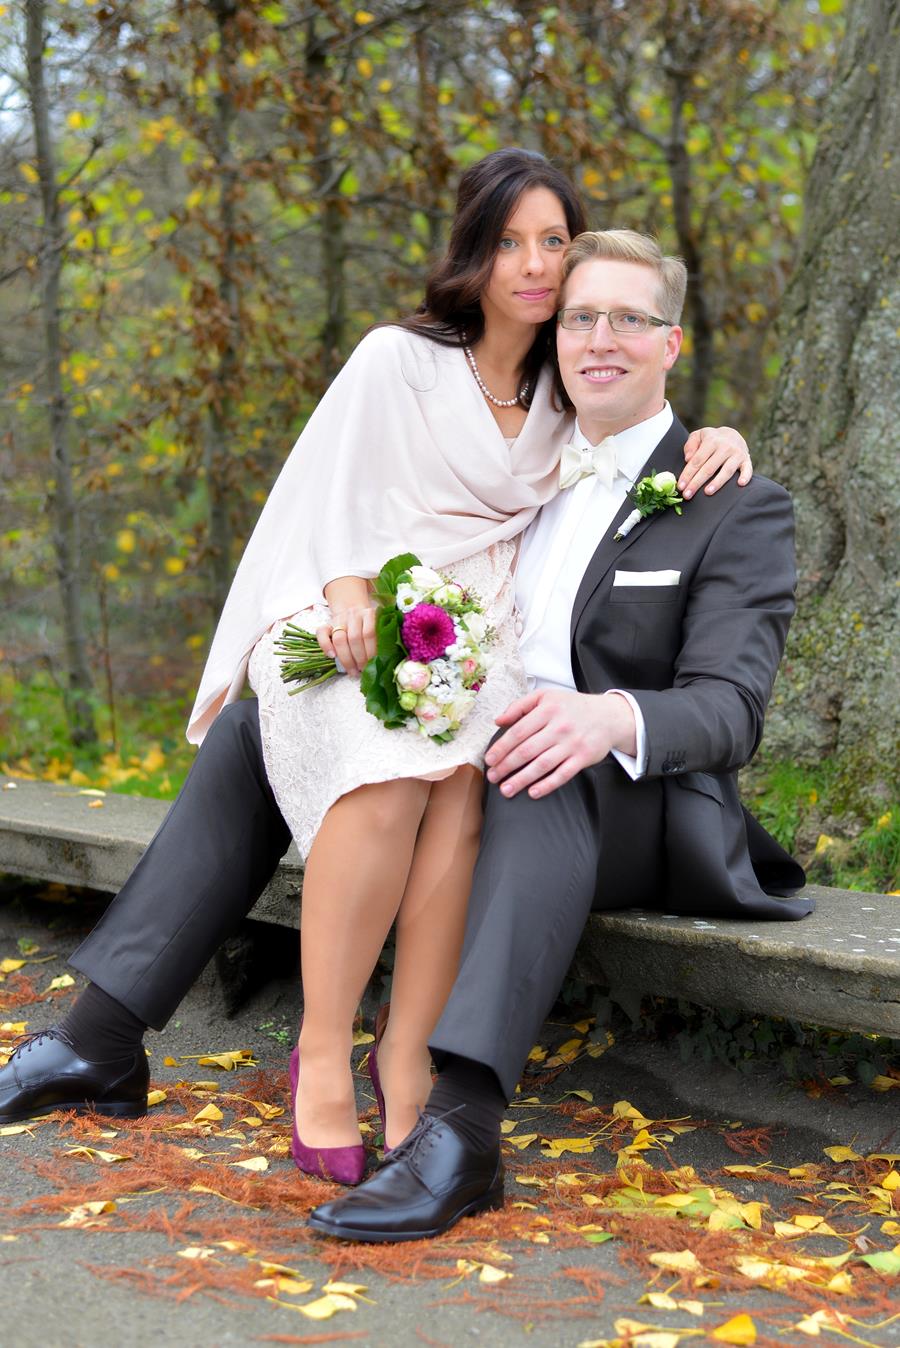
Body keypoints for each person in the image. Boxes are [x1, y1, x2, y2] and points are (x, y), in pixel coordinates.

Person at [0, 155, 751, 1162]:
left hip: (483, 663)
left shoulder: (568, 393)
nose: (534, 265)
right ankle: (275, 1051)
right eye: (509, 243)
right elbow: (326, 498)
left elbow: (638, 419)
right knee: (332, 741)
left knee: (428, 762)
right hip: (351, 606)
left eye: (553, 243)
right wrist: (351, 595)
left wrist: (718, 436)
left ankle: (366, 1055)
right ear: (474, 252)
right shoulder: (405, 361)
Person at [303, 227, 812, 1243]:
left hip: (634, 806)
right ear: (556, 338)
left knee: (543, 760)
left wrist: (606, 716)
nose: (600, 339)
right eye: (581, 318)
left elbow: (730, 709)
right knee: (274, 728)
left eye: (629, 318)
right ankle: (103, 1028)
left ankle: (460, 1133)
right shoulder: (520, 475)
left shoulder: (733, 502)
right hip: (478, 767)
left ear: (671, 343)